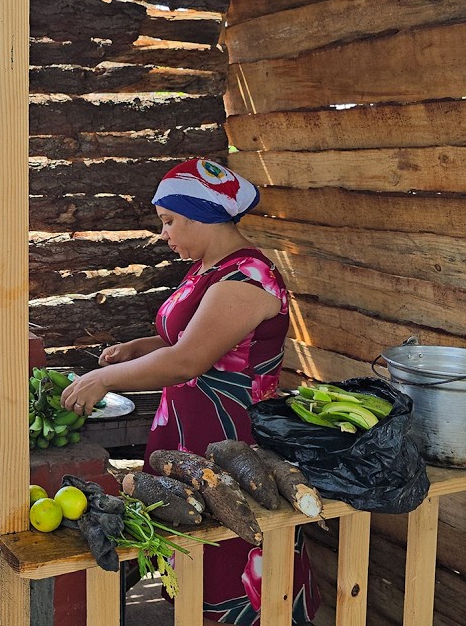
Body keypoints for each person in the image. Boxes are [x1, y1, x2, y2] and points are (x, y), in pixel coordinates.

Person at [60, 158, 318, 626]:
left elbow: (188, 360)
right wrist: (136, 348)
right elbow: (185, 339)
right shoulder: (209, 268)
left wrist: (104, 380)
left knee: (233, 541)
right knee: (195, 541)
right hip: (190, 434)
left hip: (231, 441)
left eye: (169, 221)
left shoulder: (247, 279)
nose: (164, 234)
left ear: (202, 216)